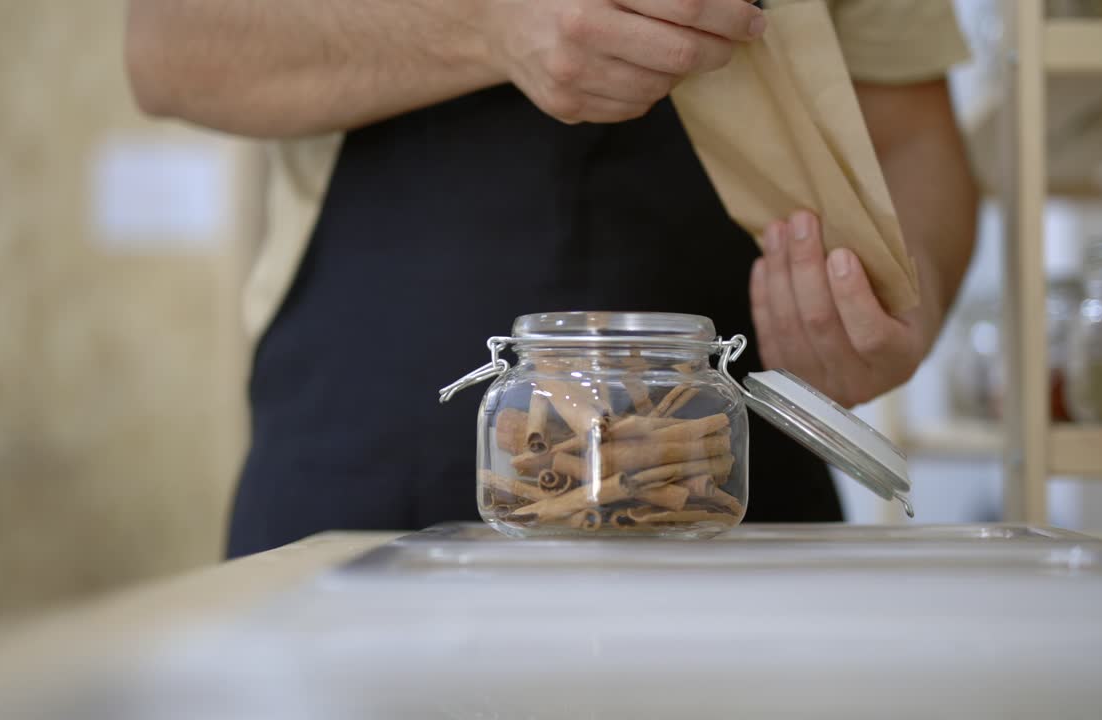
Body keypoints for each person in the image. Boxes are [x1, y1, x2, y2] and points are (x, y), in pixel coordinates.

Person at [125, 0, 978, 557]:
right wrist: (484, 24)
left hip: (726, 467)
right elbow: (167, 48)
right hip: (360, 445)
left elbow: (911, 131)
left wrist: (901, 305)